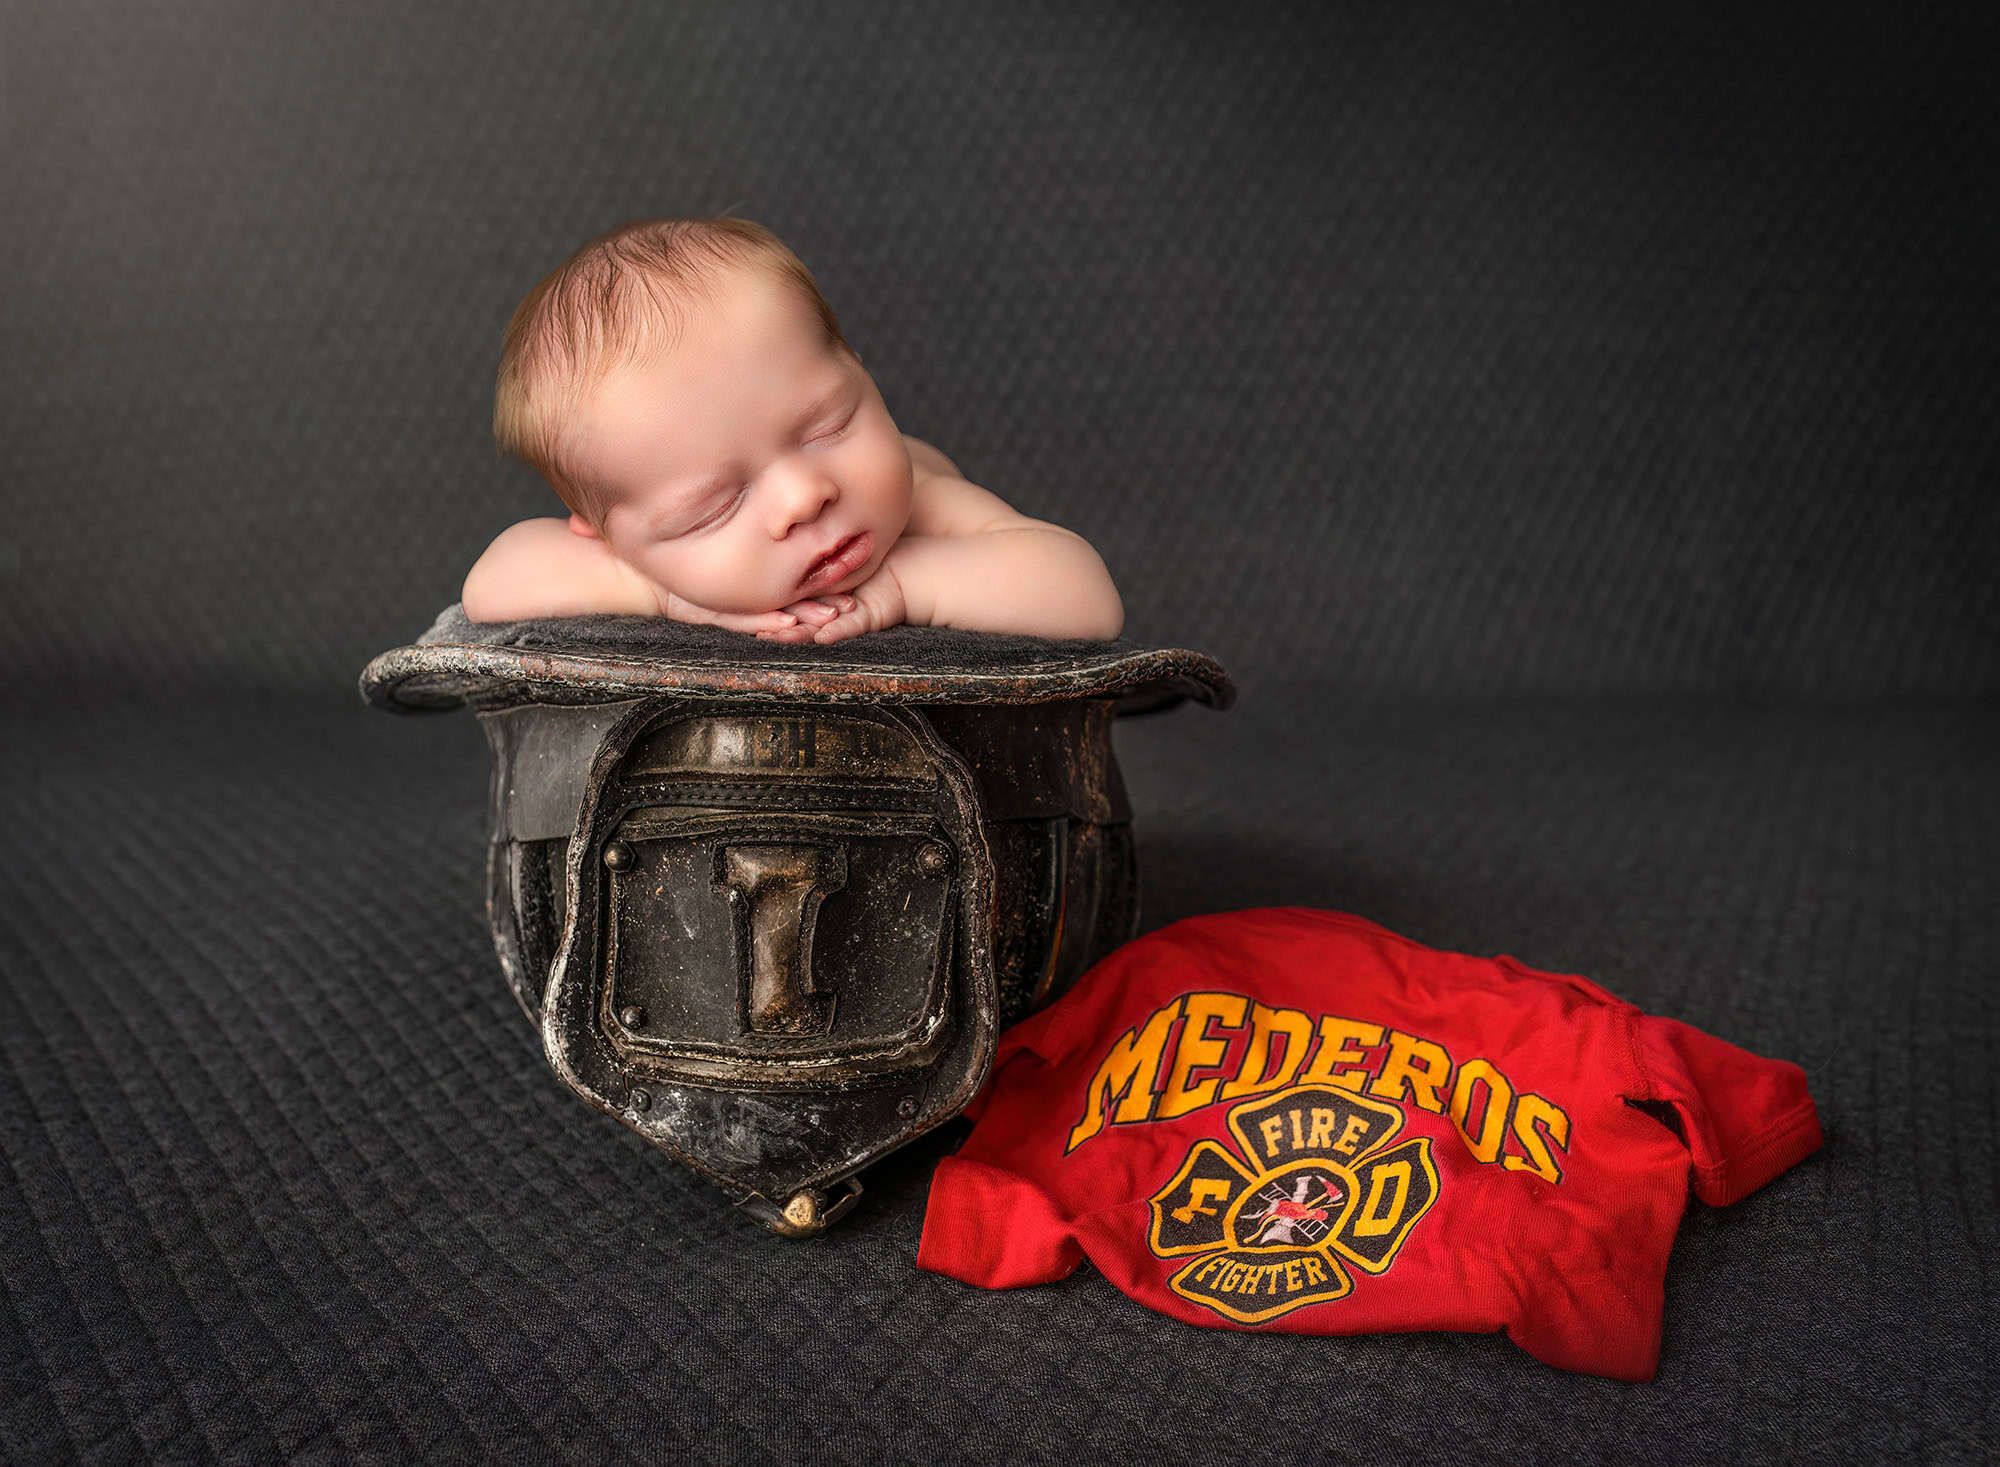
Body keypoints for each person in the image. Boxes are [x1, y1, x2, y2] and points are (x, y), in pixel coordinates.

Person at [465, 217, 1124, 643]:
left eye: (829, 426)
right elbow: (491, 585)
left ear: (860, 375)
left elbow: (1085, 595)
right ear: (608, 533)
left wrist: (901, 584)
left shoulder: (918, 503)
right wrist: (665, 592)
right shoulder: (637, 559)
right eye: (712, 508)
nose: (804, 497)